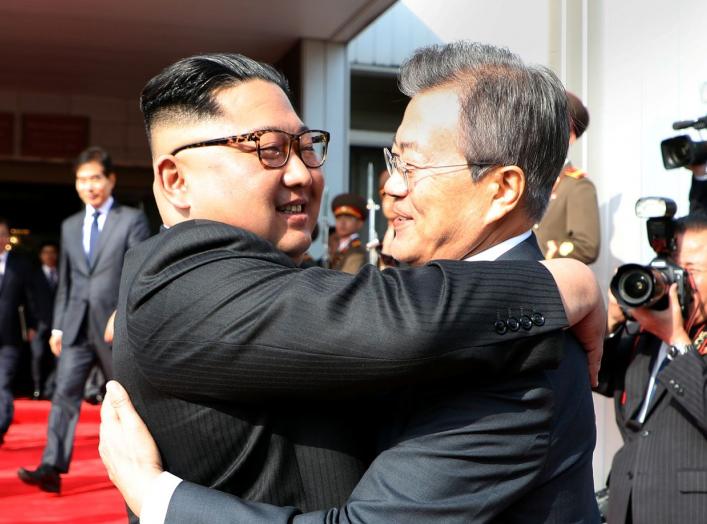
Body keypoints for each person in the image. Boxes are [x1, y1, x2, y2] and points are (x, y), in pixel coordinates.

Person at [100, 44, 603, 523]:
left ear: (502, 189)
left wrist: (159, 499)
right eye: (270, 150)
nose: (390, 186)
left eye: (412, 165)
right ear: (175, 180)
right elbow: (387, 316)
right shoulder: (183, 283)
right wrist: (561, 284)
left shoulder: (521, 354)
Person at [17, 146, 151, 493]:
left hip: (111, 325)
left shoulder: (131, 220)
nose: (89, 186)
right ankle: (51, 466)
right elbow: (67, 279)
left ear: (111, 180)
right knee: (63, 395)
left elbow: (139, 272)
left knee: (126, 397)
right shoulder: (70, 225)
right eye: (82, 180)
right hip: (75, 324)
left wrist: (122, 313)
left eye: (95, 178)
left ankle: (146, 467)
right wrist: (59, 325)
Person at [595, 213, 707, 524]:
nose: (675, 279)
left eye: (689, 270)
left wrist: (676, 339)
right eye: (670, 267)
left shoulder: (671, 333)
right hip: (626, 505)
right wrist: (609, 322)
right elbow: (592, 375)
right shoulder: (645, 331)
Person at [535, 91, 601, 264]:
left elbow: (588, 247)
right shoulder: (528, 180)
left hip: (547, 281)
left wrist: (544, 250)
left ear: (569, 137)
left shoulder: (577, 186)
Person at [0, 218, 37, 446]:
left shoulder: (21, 265)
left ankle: (1, 425)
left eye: (2, 234)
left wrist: (32, 325)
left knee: (1, 381)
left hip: (9, 336)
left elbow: (31, 298)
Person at [29, 241, 59, 400]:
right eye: (46, 252)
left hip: (58, 324)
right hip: (38, 323)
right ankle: (37, 388)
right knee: (38, 356)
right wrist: (30, 325)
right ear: (40, 256)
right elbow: (29, 300)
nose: (50, 256)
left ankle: (52, 388)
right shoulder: (33, 275)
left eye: (53, 252)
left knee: (58, 357)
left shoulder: (62, 274)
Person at [329, 193, 368, 273]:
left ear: (359, 223)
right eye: (338, 217)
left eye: (348, 217)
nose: (342, 222)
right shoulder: (334, 248)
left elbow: (345, 279)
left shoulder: (357, 252)